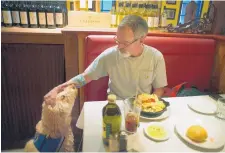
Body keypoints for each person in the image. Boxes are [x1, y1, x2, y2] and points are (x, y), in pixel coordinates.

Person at [44, 15, 167, 106]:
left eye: (125, 43)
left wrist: (150, 106)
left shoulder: (156, 57)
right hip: (115, 106)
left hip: (142, 108)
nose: (119, 47)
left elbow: (159, 89)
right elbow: (84, 78)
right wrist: (57, 89)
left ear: (142, 39)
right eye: (117, 40)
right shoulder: (111, 55)